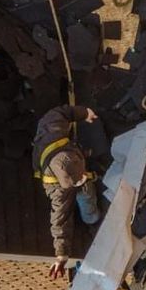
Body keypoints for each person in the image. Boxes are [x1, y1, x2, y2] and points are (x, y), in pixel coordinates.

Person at [34, 103, 101, 279]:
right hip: (61, 183)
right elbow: (59, 220)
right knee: (86, 192)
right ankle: (91, 218)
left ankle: (82, 164)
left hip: (67, 155)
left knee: (83, 180)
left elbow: (61, 112)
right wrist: (62, 255)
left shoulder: (53, 130)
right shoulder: (59, 193)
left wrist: (85, 112)